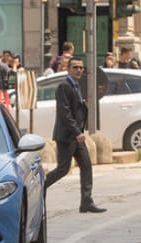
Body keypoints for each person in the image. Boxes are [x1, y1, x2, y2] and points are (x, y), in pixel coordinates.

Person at [44, 59, 106, 213]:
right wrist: (77, 132)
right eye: (75, 68)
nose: (79, 70)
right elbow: (65, 113)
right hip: (67, 136)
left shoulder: (76, 86)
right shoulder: (64, 87)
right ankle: (39, 187)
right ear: (68, 69)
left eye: (81, 68)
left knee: (86, 165)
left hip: (76, 136)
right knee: (63, 169)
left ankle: (86, 201)